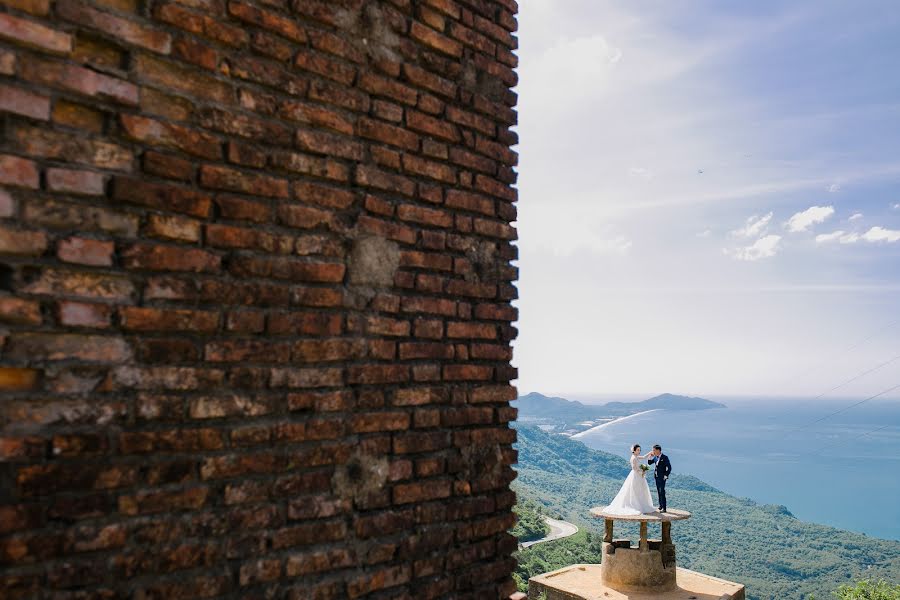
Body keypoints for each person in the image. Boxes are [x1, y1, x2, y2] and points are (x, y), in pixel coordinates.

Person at [604, 444, 657, 515]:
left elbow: (644, 457)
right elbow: (634, 468)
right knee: (635, 490)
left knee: (640, 490)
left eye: (640, 450)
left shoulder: (636, 456)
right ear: (634, 450)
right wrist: (642, 471)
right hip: (636, 475)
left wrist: (650, 452)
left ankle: (640, 504)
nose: (639, 451)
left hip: (639, 475)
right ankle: (635, 505)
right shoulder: (634, 458)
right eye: (638, 450)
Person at [647, 444, 671, 512]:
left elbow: (669, 467)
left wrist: (666, 475)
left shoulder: (665, 457)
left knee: (662, 492)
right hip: (656, 477)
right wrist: (650, 456)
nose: (653, 451)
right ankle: (660, 506)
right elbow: (649, 463)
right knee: (659, 491)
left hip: (662, 478)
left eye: (654, 450)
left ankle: (664, 508)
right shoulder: (655, 457)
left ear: (658, 450)